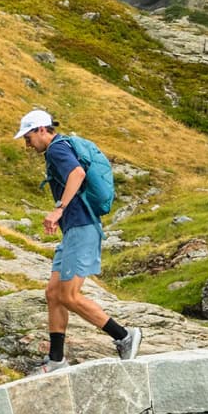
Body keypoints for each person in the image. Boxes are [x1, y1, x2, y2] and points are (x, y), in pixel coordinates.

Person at [13, 109, 141, 373]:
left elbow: (77, 174)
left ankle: (124, 336)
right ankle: (57, 359)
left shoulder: (57, 150)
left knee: (69, 295)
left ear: (41, 130)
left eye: (28, 137)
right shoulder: (60, 147)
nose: (27, 144)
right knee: (53, 293)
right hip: (73, 230)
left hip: (82, 228)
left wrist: (59, 208)